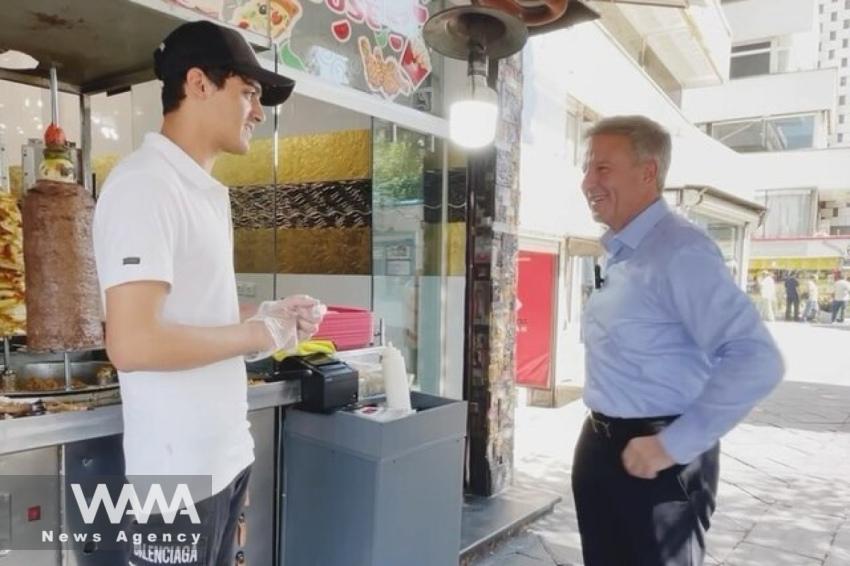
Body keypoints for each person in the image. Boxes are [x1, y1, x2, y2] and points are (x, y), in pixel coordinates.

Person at [92, 21, 324, 566]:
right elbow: (133, 343)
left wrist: (268, 315)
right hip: (175, 479)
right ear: (198, 84)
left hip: (223, 458)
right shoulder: (145, 185)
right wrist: (253, 332)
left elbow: (193, 313)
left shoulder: (202, 191)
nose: (259, 112)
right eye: (248, 93)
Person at [573, 115, 784, 566]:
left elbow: (755, 358)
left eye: (602, 168)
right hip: (601, 444)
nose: (587, 181)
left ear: (647, 173)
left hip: (660, 456)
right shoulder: (623, 252)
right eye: (588, 168)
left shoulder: (680, 250)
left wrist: (672, 445)